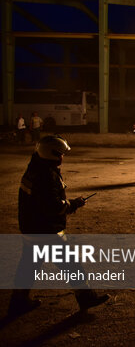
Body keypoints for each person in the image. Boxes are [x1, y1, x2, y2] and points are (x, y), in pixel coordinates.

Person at [8, 135, 109, 316]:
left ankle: (18, 302)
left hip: (31, 228)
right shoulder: (46, 175)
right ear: (51, 154)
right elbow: (53, 206)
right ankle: (87, 297)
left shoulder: (35, 167)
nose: (63, 157)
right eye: (60, 154)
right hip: (46, 230)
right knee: (70, 264)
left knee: (28, 266)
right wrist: (74, 204)